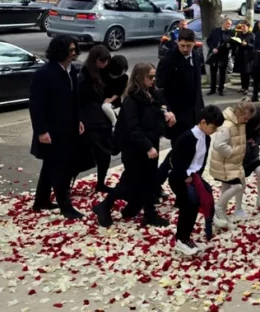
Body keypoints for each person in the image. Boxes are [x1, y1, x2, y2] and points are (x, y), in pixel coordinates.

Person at [94, 63, 172, 228]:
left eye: (154, 76)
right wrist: (147, 146)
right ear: (139, 77)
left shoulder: (152, 94)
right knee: (130, 182)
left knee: (149, 181)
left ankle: (149, 214)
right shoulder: (131, 100)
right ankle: (104, 206)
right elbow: (132, 128)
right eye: (149, 77)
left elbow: (161, 107)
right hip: (135, 148)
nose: (153, 80)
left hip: (150, 143)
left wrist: (168, 114)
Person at [30, 35, 84, 220]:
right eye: (70, 50)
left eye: (75, 49)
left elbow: (74, 99)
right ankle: (66, 206)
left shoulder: (72, 71)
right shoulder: (44, 73)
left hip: (68, 128)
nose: (74, 53)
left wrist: (79, 120)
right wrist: (41, 131)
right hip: (52, 130)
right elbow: (36, 105)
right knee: (61, 168)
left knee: (50, 165)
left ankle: (41, 200)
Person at [168, 105, 223, 256]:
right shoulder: (187, 137)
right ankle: (181, 239)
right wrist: (185, 176)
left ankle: (185, 237)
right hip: (180, 178)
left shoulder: (206, 138)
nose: (214, 130)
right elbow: (175, 159)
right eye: (213, 127)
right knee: (188, 206)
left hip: (194, 177)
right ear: (203, 122)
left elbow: (201, 161)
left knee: (196, 203)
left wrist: (196, 177)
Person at [156, 27, 206, 192]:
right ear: (178, 43)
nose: (185, 49)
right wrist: (167, 110)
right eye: (182, 45)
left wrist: (201, 111)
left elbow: (198, 86)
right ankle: (160, 182)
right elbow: (159, 88)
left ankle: (189, 180)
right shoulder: (169, 60)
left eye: (188, 46)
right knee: (177, 152)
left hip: (194, 114)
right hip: (176, 116)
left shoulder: (197, 56)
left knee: (193, 150)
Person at [77, 46, 116, 193]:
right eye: (102, 61)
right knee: (88, 155)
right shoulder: (85, 76)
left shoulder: (101, 73)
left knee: (104, 155)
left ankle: (101, 182)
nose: (104, 64)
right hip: (91, 121)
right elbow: (80, 100)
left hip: (100, 119)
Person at [211, 99, 255, 227]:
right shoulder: (227, 126)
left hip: (234, 163)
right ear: (239, 112)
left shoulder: (240, 123)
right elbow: (218, 144)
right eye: (246, 118)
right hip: (226, 163)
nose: (247, 121)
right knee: (237, 186)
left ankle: (222, 214)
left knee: (227, 187)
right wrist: (232, 152)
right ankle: (218, 208)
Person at [206, 19, 233, 96]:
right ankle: (212, 89)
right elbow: (209, 41)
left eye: (230, 24)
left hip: (223, 55)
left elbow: (233, 43)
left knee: (222, 73)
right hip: (214, 54)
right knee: (213, 72)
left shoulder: (231, 33)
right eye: (228, 23)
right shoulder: (215, 31)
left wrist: (229, 46)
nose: (229, 25)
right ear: (223, 23)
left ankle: (221, 89)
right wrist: (212, 48)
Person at [232, 21, 255, 95]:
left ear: (248, 27)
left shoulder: (251, 35)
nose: (243, 28)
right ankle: (242, 87)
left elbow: (254, 45)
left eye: (244, 26)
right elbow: (236, 43)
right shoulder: (239, 34)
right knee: (241, 72)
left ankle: (246, 88)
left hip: (248, 56)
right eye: (242, 26)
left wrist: (247, 44)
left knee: (246, 72)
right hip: (240, 55)